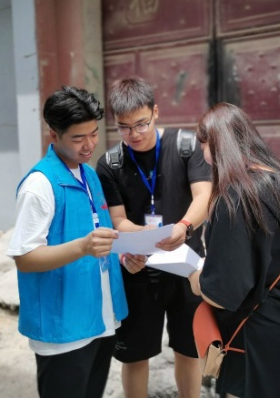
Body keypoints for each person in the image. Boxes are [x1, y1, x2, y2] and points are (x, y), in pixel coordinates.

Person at [187, 102, 280, 398]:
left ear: (217, 145)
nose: (203, 154)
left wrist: (196, 279)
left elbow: (222, 293)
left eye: (204, 145)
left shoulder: (236, 198)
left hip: (259, 334)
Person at [7, 86, 134, 398]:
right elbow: (25, 257)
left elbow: (100, 234)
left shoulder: (89, 175)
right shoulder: (39, 186)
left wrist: (123, 257)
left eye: (94, 133)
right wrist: (82, 247)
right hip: (63, 329)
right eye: (78, 138)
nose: (89, 144)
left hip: (100, 316)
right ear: (54, 134)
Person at [95, 77, 212, 398]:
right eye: (124, 127)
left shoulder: (187, 147)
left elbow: (204, 196)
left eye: (141, 124)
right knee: (134, 355)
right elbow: (117, 219)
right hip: (139, 271)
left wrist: (183, 226)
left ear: (155, 112)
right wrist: (139, 235)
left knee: (189, 350)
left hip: (186, 267)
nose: (134, 134)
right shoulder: (110, 164)